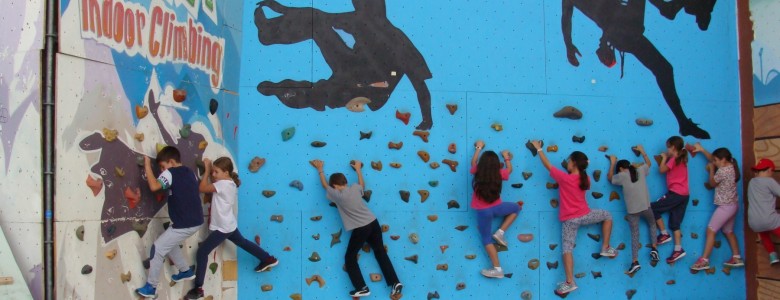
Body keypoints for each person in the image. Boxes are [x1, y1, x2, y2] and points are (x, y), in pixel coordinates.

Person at [531, 141, 617, 296]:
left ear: (574, 163)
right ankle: (605, 246)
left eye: (569, 161)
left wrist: (538, 148)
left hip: (570, 220)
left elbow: (547, 165)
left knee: (567, 249)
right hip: (585, 215)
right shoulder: (586, 179)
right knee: (607, 215)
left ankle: (570, 281)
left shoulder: (565, 178)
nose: (567, 163)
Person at [185, 158, 279, 299]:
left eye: (216, 172)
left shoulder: (222, 184)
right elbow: (214, 184)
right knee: (243, 243)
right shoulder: (230, 183)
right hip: (229, 224)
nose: (214, 174)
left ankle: (198, 288)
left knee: (202, 252)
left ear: (226, 172)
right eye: (213, 172)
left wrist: (205, 171)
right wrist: (211, 171)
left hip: (223, 228)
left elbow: (202, 188)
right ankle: (268, 259)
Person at [310, 159, 402, 298]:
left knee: (350, 257)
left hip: (361, 228)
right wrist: (358, 169)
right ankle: (395, 282)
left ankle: (361, 287)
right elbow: (362, 185)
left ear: (335, 185)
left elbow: (324, 185)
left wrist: (320, 169)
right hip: (373, 222)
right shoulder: (354, 188)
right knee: (380, 251)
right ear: (345, 182)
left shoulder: (338, 195)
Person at [136, 146, 204, 298]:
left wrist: (147, 165)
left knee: (158, 248)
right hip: (195, 220)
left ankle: (151, 287)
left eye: (162, 166)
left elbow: (154, 186)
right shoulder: (190, 172)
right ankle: (185, 270)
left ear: (171, 162)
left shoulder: (170, 173)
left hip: (184, 223)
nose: (161, 170)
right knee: (169, 242)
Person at [470, 140, 521, 278]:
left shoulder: (478, 171)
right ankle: (500, 232)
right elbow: (509, 170)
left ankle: (497, 269)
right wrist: (506, 156)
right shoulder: (499, 173)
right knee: (516, 208)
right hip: (498, 207)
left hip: (483, 211)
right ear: (495, 165)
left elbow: (473, 163)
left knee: (486, 239)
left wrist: (478, 148)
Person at [689, 145, 744, 270]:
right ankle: (737, 257)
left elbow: (712, 183)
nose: (714, 162)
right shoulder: (731, 167)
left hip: (725, 207)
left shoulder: (723, 171)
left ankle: (704, 260)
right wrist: (703, 150)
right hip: (733, 206)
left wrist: (711, 169)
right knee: (728, 231)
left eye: (716, 160)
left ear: (723, 159)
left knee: (711, 230)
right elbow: (713, 160)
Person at [607, 144, 659, 274]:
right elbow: (649, 163)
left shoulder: (622, 175)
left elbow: (610, 178)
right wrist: (642, 151)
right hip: (646, 207)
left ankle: (635, 261)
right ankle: (654, 248)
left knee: (635, 235)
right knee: (652, 224)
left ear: (621, 168)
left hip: (632, 211)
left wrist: (612, 163)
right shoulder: (640, 170)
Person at [651, 136, 690, 264]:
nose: (666, 149)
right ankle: (678, 249)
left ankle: (664, 234)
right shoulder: (682, 158)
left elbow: (662, 170)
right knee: (675, 223)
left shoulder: (673, 159)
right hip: (684, 195)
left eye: (668, 147)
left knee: (652, 208)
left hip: (675, 194)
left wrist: (663, 159)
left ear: (673, 147)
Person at [747, 158, 780, 265]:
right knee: (774, 224)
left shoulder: (751, 182)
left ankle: (772, 255)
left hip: (754, 222)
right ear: (770, 170)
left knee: (764, 234)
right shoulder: (769, 181)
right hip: (768, 219)